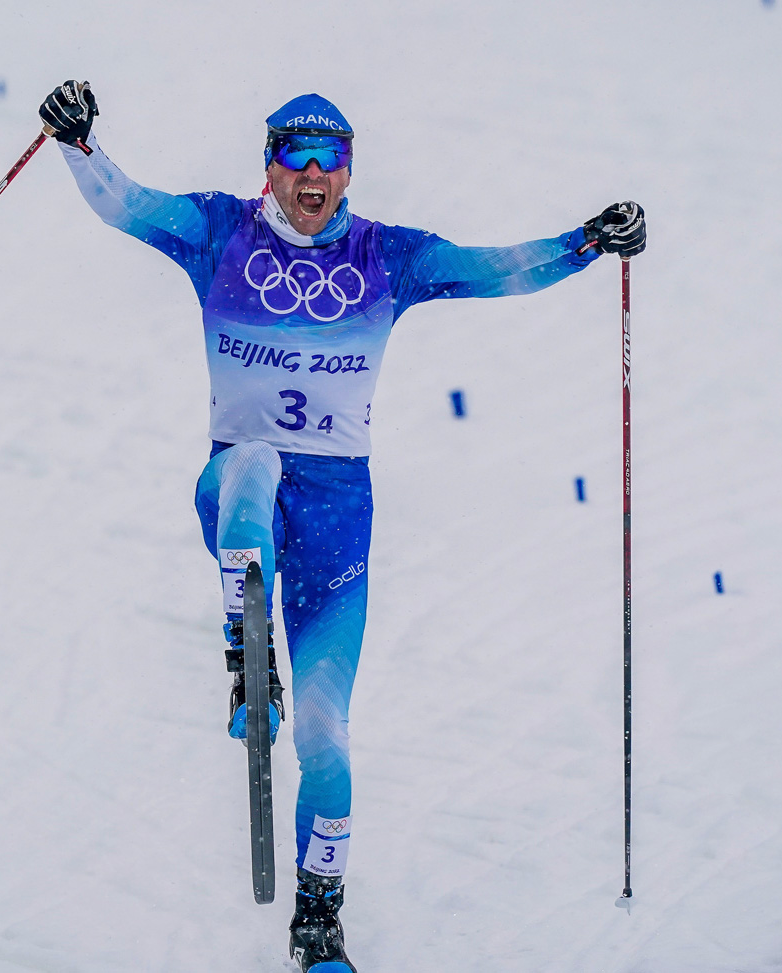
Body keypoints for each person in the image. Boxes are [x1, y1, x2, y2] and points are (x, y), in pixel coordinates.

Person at [39, 80, 646, 973]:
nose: (314, 175)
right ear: (270, 166)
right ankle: (246, 649)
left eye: (332, 158)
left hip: (338, 520)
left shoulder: (385, 258)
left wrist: (589, 242)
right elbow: (126, 205)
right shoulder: (219, 233)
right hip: (241, 487)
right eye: (296, 156)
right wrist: (76, 140)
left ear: (350, 171)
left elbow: (493, 268)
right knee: (252, 466)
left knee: (325, 739)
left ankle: (318, 923)